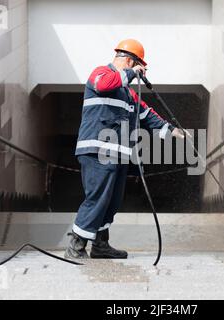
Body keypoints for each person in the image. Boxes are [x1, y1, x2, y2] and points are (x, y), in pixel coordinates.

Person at [65, 39, 186, 260]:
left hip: (118, 155)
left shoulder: (127, 93)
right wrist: (131, 74)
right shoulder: (101, 73)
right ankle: (75, 245)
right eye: (139, 67)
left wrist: (172, 131)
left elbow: (146, 114)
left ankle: (100, 246)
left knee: (112, 201)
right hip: (97, 150)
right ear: (130, 61)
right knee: (98, 197)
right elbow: (104, 85)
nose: (141, 73)